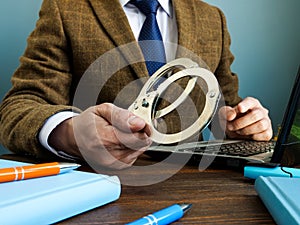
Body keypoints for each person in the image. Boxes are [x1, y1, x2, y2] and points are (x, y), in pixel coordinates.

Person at [0, 0, 272, 169]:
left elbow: (225, 109)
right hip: (100, 188)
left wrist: (244, 125)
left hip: (196, 187)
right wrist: (72, 134)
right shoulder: (66, 8)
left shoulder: (213, 19)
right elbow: (18, 108)